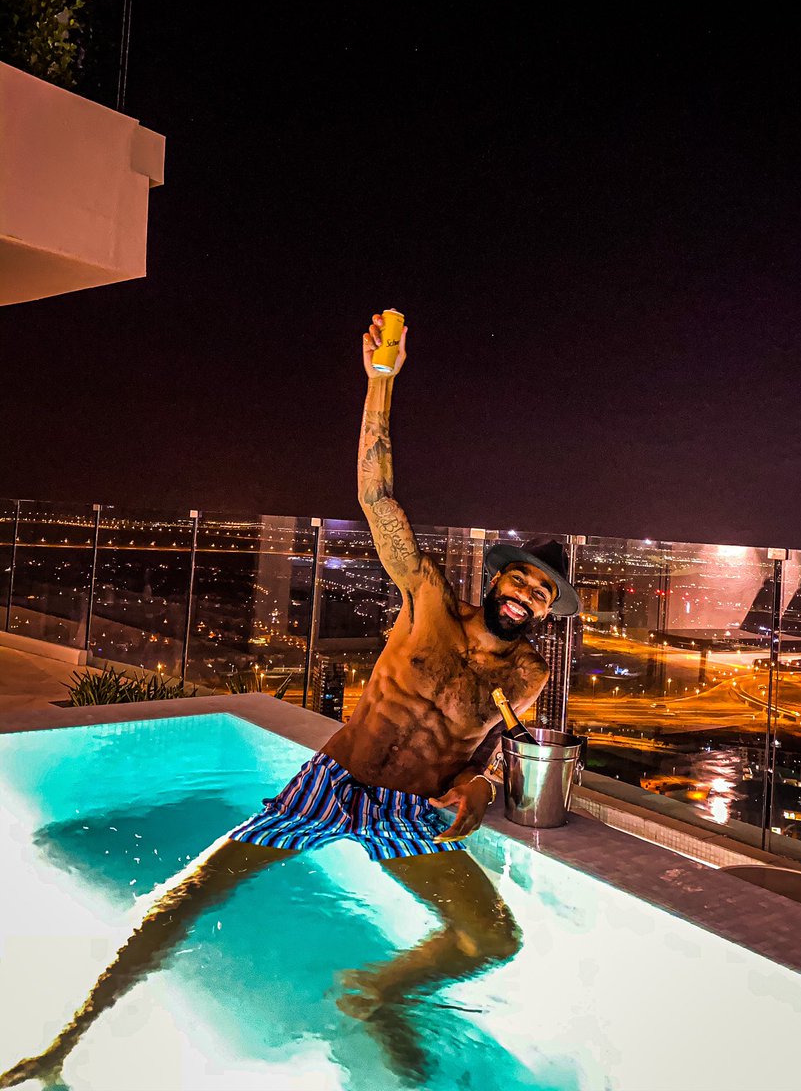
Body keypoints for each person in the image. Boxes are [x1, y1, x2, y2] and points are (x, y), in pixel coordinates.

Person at [0, 312, 581, 1087]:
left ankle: (375, 993)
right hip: (333, 783)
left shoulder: (527, 675)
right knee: (187, 895)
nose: (526, 596)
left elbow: (492, 748)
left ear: (546, 611)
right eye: (521, 579)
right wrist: (381, 381)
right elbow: (377, 495)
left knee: (494, 940)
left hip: (409, 810)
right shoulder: (428, 599)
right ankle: (63, 1048)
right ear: (498, 575)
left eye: (541, 594)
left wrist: (478, 784)